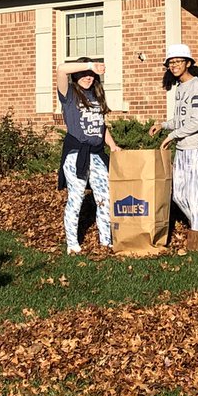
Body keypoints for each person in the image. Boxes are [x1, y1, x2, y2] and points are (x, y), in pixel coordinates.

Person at [149, 43, 198, 249]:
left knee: (192, 194)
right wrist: (163, 126)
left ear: (188, 63)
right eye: (171, 63)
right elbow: (180, 119)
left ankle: (197, 242)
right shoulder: (180, 87)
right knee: (177, 195)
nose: (174, 66)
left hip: (195, 146)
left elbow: (197, 122)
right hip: (183, 146)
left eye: (178, 62)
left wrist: (172, 136)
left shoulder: (196, 86)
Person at [56, 58, 118, 254]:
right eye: (83, 73)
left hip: (97, 154)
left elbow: (100, 126)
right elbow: (61, 69)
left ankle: (106, 241)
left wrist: (113, 145)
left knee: (105, 197)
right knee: (76, 199)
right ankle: (72, 245)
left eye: (91, 75)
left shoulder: (96, 95)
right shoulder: (69, 94)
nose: (88, 77)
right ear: (77, 74)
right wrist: (90, 66)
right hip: (76, 154)